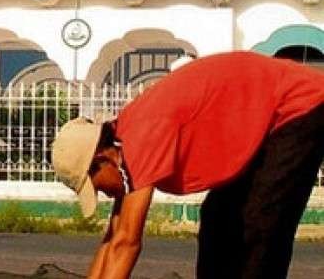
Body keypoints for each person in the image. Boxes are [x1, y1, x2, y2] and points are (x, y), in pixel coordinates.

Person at [51, 51, 324, 279]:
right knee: (218, 219)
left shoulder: (141, 139)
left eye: (97, 187)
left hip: (300, 104)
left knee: (260, 221)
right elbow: (111, 240)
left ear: (102, 159)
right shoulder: (125, 141)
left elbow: (126, 244)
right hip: (264, 119)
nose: (106, 195)